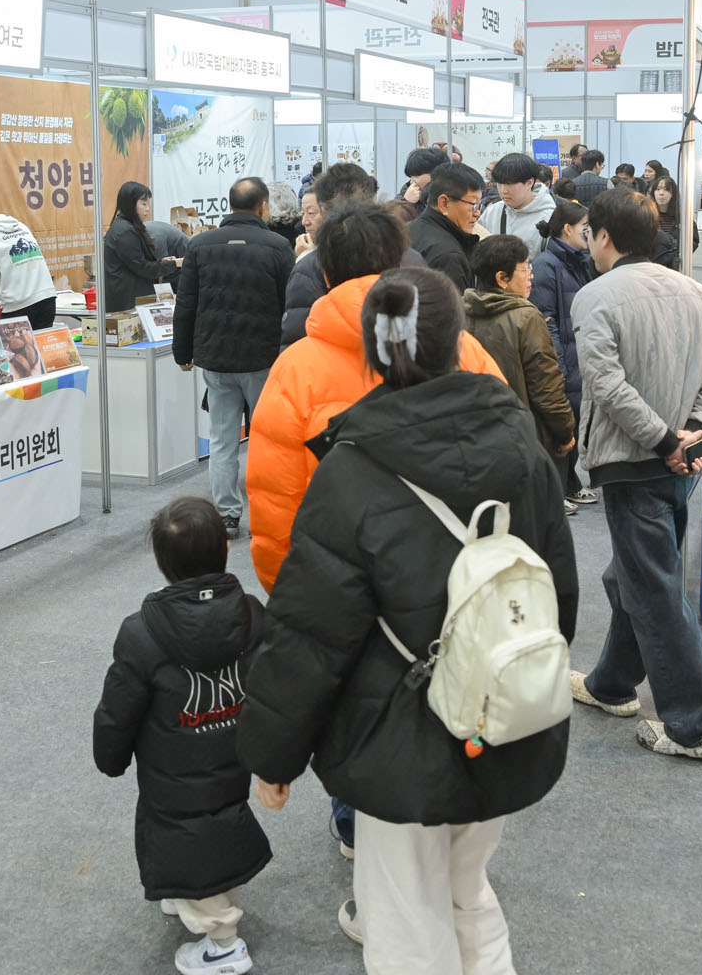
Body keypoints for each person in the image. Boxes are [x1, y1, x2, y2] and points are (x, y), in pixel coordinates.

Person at [237, 268, 578, 967]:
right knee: (467, 891)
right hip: (500, 715)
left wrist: (274, 754)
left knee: (403, 920)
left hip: (396, 736)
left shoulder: (352, 470)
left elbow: (309, 636)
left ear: (373, 352)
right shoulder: (521, 441)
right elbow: (555, 590)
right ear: (459, 341)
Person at [246, 204, 505, 592]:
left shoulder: (293, 369)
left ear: (326, 272)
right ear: (399, 262)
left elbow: (277, 501)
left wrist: (290, 592)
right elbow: (506, 459)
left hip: (341, 583)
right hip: (455, 576)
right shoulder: (460, 348)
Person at [567, 189, 702, 759]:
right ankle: (611, 685)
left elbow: (605, 385)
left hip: (632, 461)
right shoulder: (697, 292)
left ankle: (695, 726)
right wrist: (693, 432)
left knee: (656, 590)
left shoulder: (595, 296)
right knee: (634, 578)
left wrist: (665, 440)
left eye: (589, 234)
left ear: (604, 236)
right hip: (681, 460)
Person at [93, 497, 269, 975]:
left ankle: (224, 944)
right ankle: (188, 889)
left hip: (170, 769)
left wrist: (110, 756)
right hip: (234, 753)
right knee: (218, 816)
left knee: (182, 827)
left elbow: (118, 710)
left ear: (161, 562)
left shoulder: (141, 634)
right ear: (225, 550)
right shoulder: (252, 613)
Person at [173, 178, 295, 538]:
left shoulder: (199, 245)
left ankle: (227, 516)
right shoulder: (278, 247)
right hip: (262, 359)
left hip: (216, 359)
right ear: (263, 207)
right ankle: (266, 515)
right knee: (266, 439)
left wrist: (183, 352)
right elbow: (289, 306)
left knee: (222, 440)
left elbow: (186, 304)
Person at [281, 163, 423, 348]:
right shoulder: (410, 257)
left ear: (324, 209)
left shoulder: (311, 266)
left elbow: (297, 343)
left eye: (312, 212)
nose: (305, 221)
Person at [465, 235, 575, 462]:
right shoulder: (526, 317)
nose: (531, 276)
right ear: (501, 278)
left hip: (473, 437)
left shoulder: (459, 311)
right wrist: (565, 431)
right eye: (525, 269)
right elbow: (546, 387)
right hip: (524, 438)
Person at [531, 199, 596, 511]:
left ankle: (570, 485)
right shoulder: (547, 265)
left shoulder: (579, 260)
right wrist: (559, 367)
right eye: (586, 228)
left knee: (574, 426)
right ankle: (555, 494)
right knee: (561, 430)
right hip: (565, 362)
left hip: (578, 357)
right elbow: (547, 321)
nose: (590, 233)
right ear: (567, 229)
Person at [0, 206, 58, 329]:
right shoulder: (21, 226)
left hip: (18, 305)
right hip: (47, 298)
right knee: (41, 341)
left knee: (17, 342)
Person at [104, 181, 181, 313]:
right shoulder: (125, 231)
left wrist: (162, 262)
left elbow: (137, 262)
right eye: (144, 204)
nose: (147, 208)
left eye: (148, 204)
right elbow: (142, 267)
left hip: (130, 297)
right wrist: (174, 264)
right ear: (130, 204)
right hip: (127, 302)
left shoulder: (126, 226)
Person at [407, 161, 485, 292]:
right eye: (473, 205)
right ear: (444, 203)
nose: (477, 213)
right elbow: (454, 304)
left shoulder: (407, 229)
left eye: (479, 206)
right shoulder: (449, 256)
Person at [474, 152, 558, 260]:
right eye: (499, 183)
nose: (503, 190)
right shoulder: (493, 211)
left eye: (509, 184)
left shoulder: (550, 217)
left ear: (529, 183)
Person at [650, 176, 683, 272]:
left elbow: (692, 242)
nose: (661, 193)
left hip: (675, 269)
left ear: (673, 194)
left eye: (666, 190)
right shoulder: (646, 216)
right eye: (658, 189)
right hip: (651, 268)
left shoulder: (682, 217)